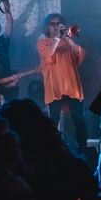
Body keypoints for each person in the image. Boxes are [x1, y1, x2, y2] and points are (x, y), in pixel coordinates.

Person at [37, 13, 87, 147]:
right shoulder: (43, 42)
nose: (56, 27)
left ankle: (83, 149)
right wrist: (58, 38)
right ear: (47, 27)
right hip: (55, 88)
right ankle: (53, 150)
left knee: (80, 121)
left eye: (59, 24)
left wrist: (69, 39)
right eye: (52, 24)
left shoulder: (68, 42)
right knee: (53, 123)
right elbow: (48, 55)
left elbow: (80, 56)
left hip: (72, 87)